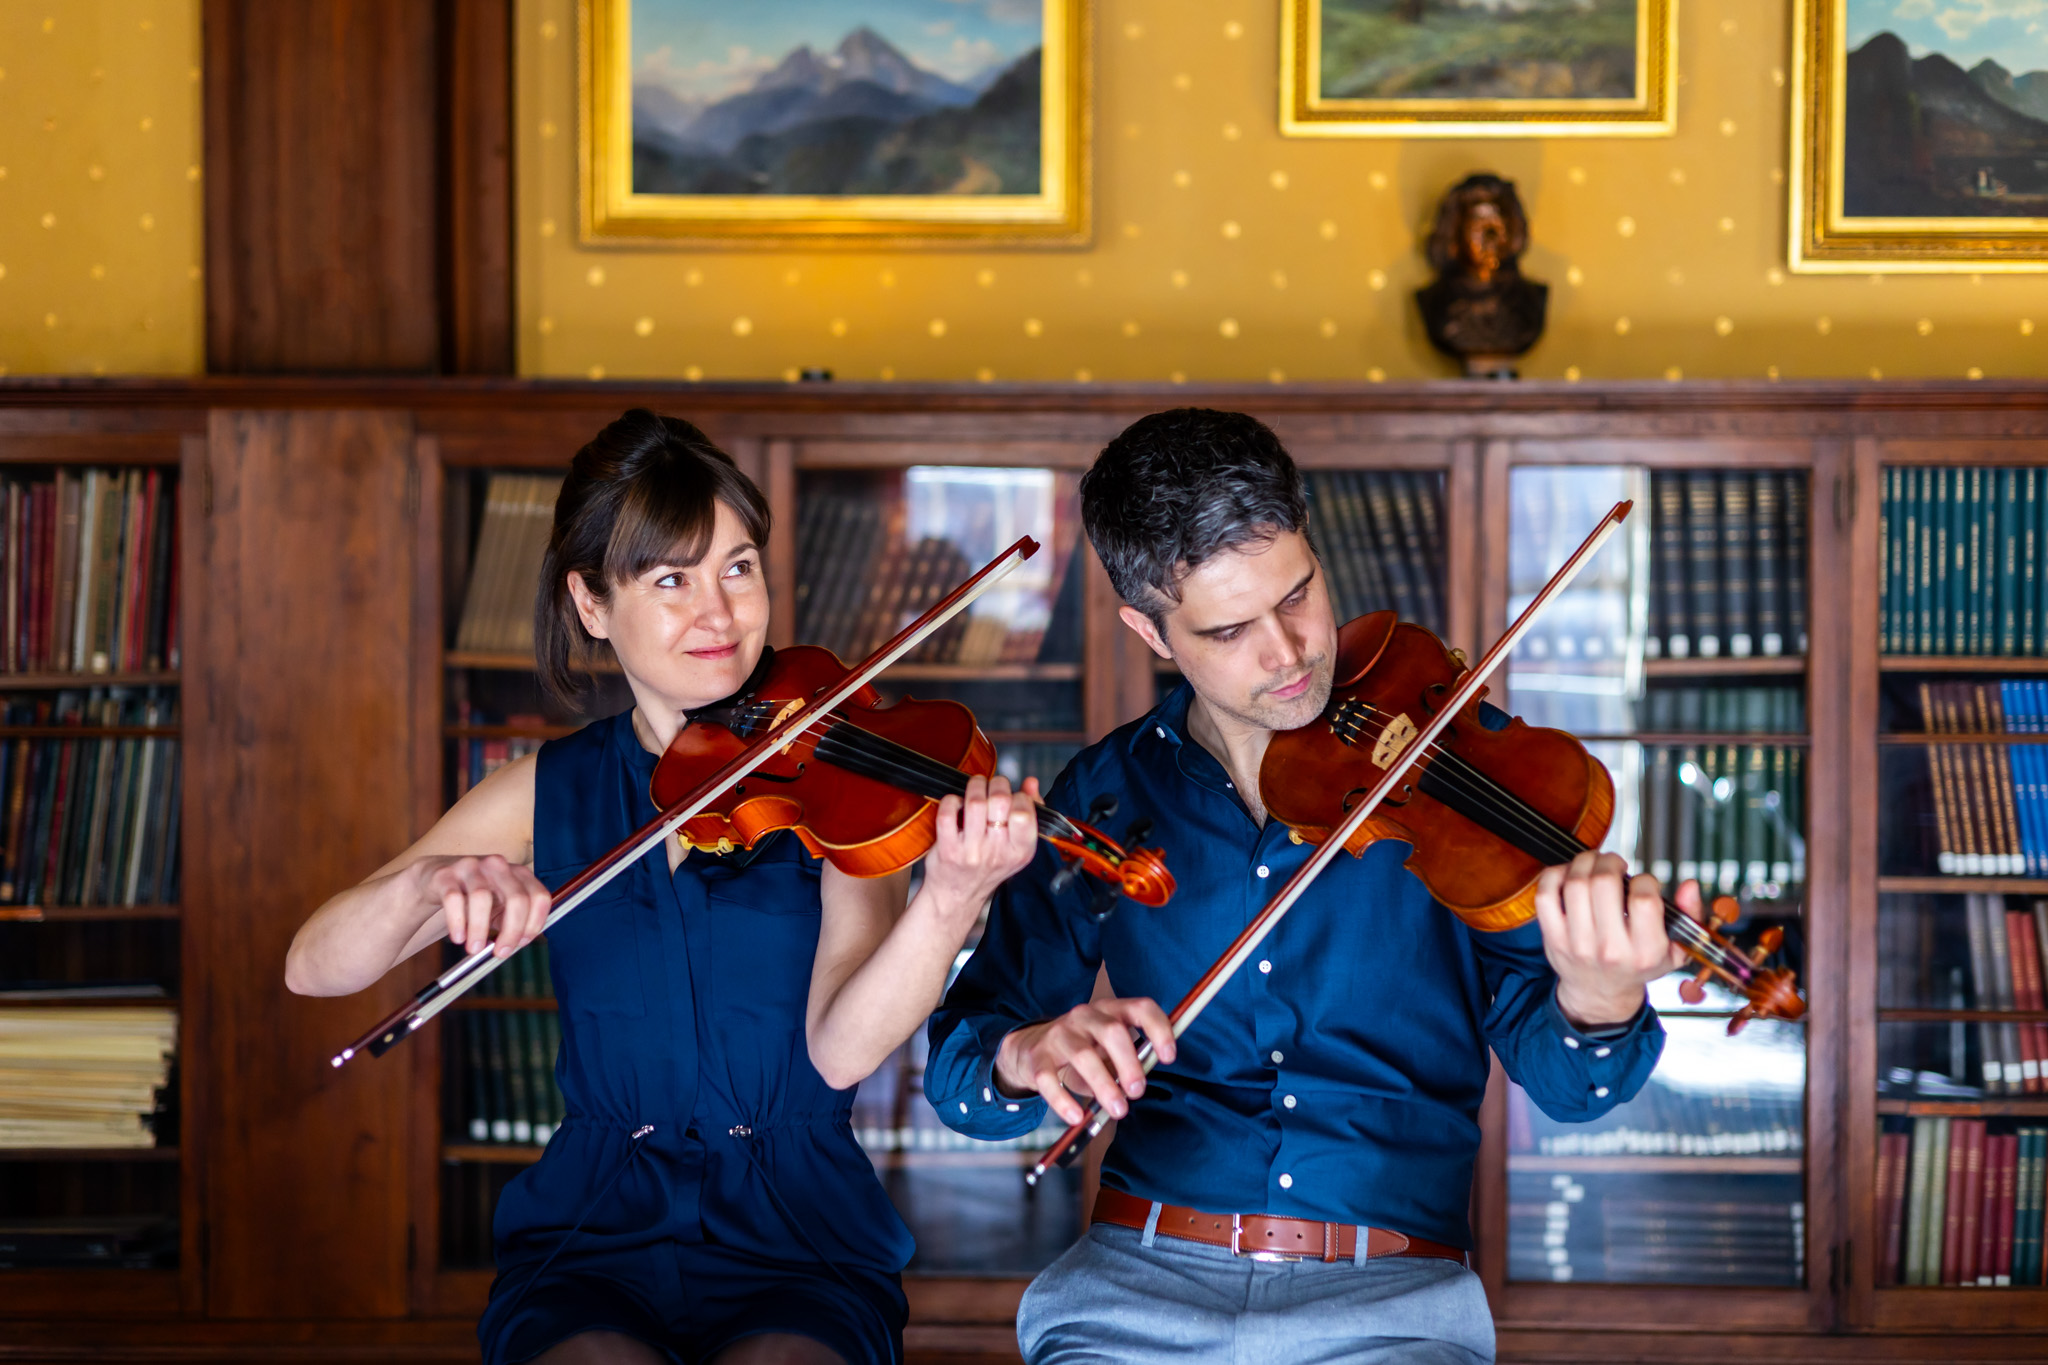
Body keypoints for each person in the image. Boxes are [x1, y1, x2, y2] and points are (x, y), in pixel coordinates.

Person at [925, 408, 1701, 1365]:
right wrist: (1029, 1052)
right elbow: (960, 1072)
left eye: (1297, 595)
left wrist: (1599, 995)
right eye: (1229, 628)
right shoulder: (1107, 794)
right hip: (1136, 1291)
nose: (1289, 652)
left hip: (1391, 1304)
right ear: (1149, 630)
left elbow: (1572, 1084)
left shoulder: (1458, 779)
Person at [286, 410, 1038, 1365]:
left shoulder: (834, 777)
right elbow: (315, 966)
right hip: (594, 1227)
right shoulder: (545, 788)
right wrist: (432, 882)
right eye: (671, 579)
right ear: (593, 603)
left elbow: (843, 1051)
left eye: (738, 566)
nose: (719, 614)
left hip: (796, 1233)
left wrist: (951, 900)